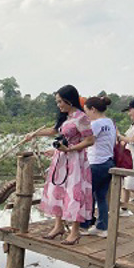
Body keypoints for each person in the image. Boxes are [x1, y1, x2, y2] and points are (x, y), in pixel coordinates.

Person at [25, 85, 95, 245]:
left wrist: (70, 149)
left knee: (74, 192)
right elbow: (54, 131)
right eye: (57, 102)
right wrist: (34, 133)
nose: (58, 105)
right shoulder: (66, 117)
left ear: (69, 100)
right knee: (58, 190)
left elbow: (90, 140)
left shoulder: (81, 117)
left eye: (60, 102)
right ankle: (58, 226)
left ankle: (75, 231)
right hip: (61, 159)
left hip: (76, 160)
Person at [80, 96, 116, 238]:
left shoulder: (96, 124)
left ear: (93, 109)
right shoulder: (110, 122)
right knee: (100, 196)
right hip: (108, 162)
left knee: (86, 195)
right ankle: (102, 226)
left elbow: (87, 141)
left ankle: (83, 225)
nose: (86, 114)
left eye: (86, 111)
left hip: (96, 163)